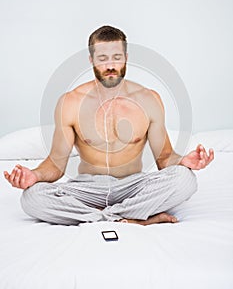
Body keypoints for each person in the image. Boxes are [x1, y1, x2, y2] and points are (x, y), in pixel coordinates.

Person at [3, 25, 214, 226]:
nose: (110, 66)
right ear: (91, 60)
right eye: (102, 59)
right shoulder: (70, 102)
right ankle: (137, 217)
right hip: (87, 188)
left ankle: (101, 217)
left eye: (117, 58)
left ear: (126, 58)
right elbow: (56, 164)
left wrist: (184, 161)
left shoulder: (149, 99)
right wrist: (35, 175)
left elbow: (165, 158)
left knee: (185, 179)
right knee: (32, 198)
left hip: (133, 186)